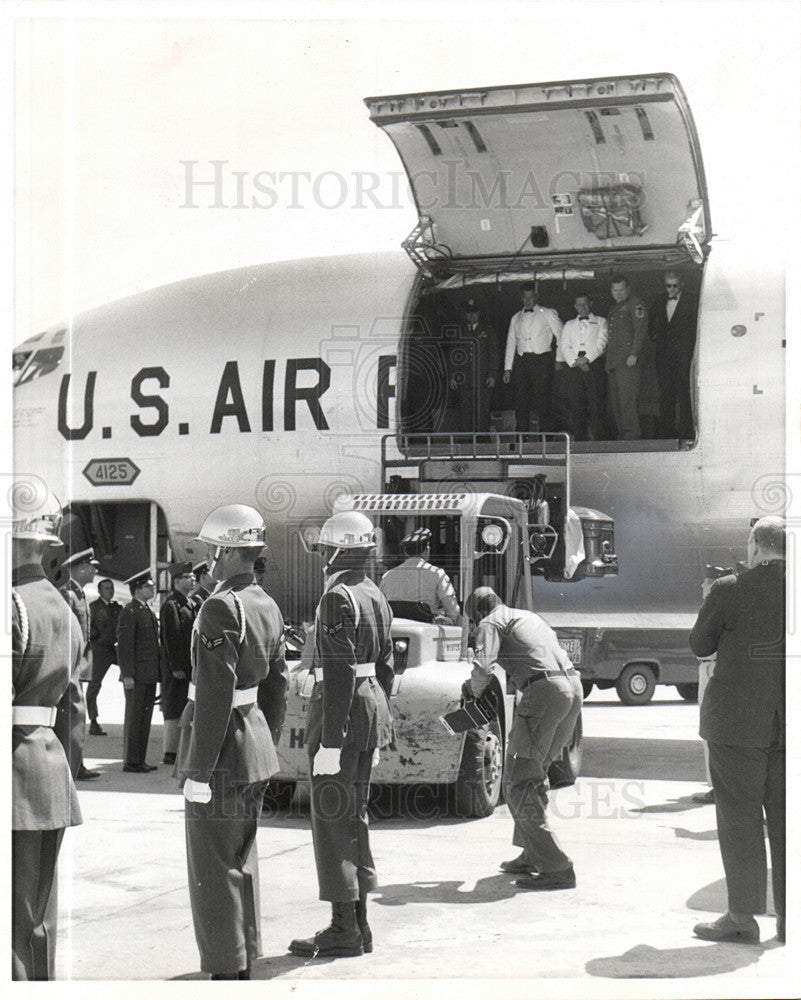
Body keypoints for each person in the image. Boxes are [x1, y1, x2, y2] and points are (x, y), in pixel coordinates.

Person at [177, 504, 288, 980]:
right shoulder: (266, 603)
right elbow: (277, 686)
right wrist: (267, 740)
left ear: (224, 551)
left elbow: (215, 695)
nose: (209, 559)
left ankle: (227, 969)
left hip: (221, 752)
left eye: (212, 550)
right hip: (254, 743)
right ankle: (244, 955)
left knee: (214, 865)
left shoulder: (219, 606)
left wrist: (198, 771)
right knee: (242, 860)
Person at [289, 510, 394, 959]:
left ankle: (342, 929)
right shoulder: (376, 593)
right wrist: (374, 724)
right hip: (368, 714)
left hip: (343, 718)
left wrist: (331, 741)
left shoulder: (337, 597)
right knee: (355, 821)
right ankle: (360, 926)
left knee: (333, 825)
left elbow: (339, 670)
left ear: (334, 551)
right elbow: (386, 667)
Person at [689, 516, 786, 944]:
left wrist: (709, 599)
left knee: (740, 821)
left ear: (756, 545)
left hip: (736, 727)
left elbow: (700, 645)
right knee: (789, 824)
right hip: (789, 730)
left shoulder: (730, 588)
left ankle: (742, 917)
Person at [464, 587, 582, 890]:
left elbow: (484, 668)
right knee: (535, 773)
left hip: (542, 692)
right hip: (571, 688)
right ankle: (532, 853)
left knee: (517, 782)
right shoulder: (526, 617)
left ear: (477, 614)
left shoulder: (490, 622)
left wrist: (471, 691)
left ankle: (556, 866)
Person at [11, 490, 84, 980]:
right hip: (50, 768)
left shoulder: (11, 602)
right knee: (36, 916)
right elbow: (74, 706)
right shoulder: (63, 605)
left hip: (13, 768)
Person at [59, 547, 101, 779]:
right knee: (71, 716)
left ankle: (77, 762)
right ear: (82, 568)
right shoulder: (69, 594)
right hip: (71, 665)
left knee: (77, 716)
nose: (95, 571)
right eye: (92, 567)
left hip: (80, 665)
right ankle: (71, 764)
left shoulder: (80, 594)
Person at [116, 569, 161, 773]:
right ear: (138, 589)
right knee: (135, 718)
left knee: (144, 718)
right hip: (136, 675)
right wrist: (127, 675)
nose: (152, 588)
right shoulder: (130, 611)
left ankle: (139, 759)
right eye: (148, 586)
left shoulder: (146, 611)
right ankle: (131, 761)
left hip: (148, 674)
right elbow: (125, 646)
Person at [503, 283, 562, 432]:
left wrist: (559, 359)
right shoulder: (516, 318)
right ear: (521, 298)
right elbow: (511, 342)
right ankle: (523, 439)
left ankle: (547, 440)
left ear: (536, 297)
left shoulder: (548, 313)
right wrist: (508, 368)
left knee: (543, 401)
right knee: (521, 401)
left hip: (542, 360)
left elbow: (561, 336)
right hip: (522, 362)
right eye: (525, 297)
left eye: (531, 297)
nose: (528, 301)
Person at [378, 526, 461, 624]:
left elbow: (379, 608)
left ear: (406, 552)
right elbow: (453, 612)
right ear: (427, 550)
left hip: (395, 630)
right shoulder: (437, 574)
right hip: (427, 630)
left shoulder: (388, 576)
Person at [650, 270, 698, 439]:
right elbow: (651, 325)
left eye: (674, 286)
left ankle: (686, 431)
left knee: (684, 393)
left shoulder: (692, 300)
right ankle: (667, 432)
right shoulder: (658, 300)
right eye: (667, 286)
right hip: (663, 356)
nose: (670, 289)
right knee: (665, 394)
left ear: (681, 284)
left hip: (684, 355)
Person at [557, 293, 608, 440]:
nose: (583, 307)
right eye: (579, 304)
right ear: (575, 306)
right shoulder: (568, 324)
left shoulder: (600, 322)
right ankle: (580, 440)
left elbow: (602, 344)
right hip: (574, 368)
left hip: (594, 366)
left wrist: (587, 359)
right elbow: (564, 345)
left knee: (597, 404)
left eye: (585, 304)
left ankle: (600, 439)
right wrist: (576, 361)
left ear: (590, 304)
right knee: (577, 405)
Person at [159, 562, 196, 766]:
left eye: (192, 576)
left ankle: (180, 749)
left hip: (188, 667)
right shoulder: (171, 605)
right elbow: (170, 638)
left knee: (184, 706)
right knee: (174, 708)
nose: (192, 579)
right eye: (188, 577)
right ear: (177, 581)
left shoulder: (189, 604)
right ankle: (170, 751)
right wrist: (176, 667)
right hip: (178, 669)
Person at [605, 275, 648, 440]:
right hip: (615, 361)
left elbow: (640, 331)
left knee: (627, 400)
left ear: (628, 289)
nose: (619, 293)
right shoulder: (614, 308)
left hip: (628, 360)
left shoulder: (635, 304)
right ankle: (622, 434)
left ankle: (631, 435)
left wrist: (634, 354)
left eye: (622, 290)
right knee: (616, 402)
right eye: (615, 290)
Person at [448, 298, 500, 432]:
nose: (472, 316)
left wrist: (492, 374)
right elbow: (453, 354)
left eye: (475, 312)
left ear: (479, 313)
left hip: (483, 379)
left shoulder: (488, 331)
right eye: (469, 313)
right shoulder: (459, 332)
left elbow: (494, 354)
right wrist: (453, 375)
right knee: (465, 413)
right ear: (465, 314)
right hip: (464, 379)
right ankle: (466, 445)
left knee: (482, 412)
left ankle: (483, 444)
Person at [87, 578, 122, 736]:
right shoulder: (94, 607)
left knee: (132, 670)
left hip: (115, 649)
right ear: (99, 591)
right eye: (106, 588)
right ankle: (93, 721)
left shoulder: (117, 608)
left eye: (111, 588)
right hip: (100, 650)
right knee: (94, 684)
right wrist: (98, 636)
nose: (110, 590)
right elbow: (89, 627)